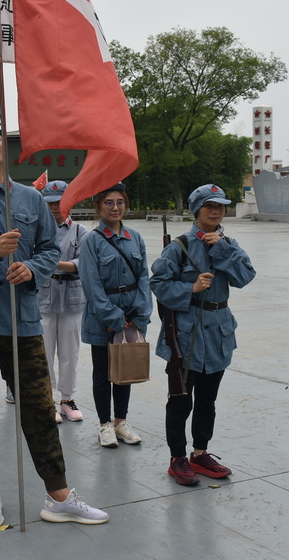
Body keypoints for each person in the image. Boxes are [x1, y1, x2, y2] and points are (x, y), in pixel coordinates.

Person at [0, 119, 109, 528]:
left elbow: (50, 249)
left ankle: (59, 495)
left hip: (24, 323)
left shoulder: (30, 200)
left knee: (39, 409)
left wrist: (31, 269)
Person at [150, 183, 256, 486]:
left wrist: (222, 248)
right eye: (209, 206)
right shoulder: (180, 246)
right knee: (181, 399)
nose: (216, 211)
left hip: (219, 331)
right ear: (197, 211)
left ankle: (200, 453)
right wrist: (190, 288)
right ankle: (177, 458)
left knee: (208, 400)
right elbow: (158, 283)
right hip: (187, 333)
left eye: (220, 206)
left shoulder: (229, 243)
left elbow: (245, 276)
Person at [79, 183, 151, 447]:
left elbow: (144, 277)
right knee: (102, 372)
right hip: (102, 319)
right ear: (99, 206)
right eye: (109, 202)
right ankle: (104, 424)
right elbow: (91, 284)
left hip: (132, 313)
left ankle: (121, 422)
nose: (115, 207)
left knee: (125, 368)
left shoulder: (136, 238)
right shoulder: (92, 241)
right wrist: (113, 317)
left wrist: (140, 313)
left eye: (120, 202)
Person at [37, 181, 88, 425]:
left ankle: (67, 399)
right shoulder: (36, 230)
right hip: (44, 297)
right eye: (51, 203)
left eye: (61, 202)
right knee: (44, 352)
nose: (56, 207)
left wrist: (56, 264)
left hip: (71, 297)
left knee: (70, 352)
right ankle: (46, 399)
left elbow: (84, 263)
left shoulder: (80, 231)